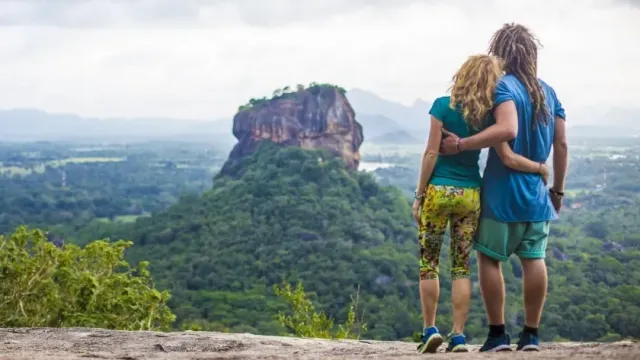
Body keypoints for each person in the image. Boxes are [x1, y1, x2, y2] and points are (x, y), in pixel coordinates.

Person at [440, 23, 568, 352]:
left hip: (502, 194)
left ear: (501, 51)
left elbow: (505, 143)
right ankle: (532, 334)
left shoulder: (501, 89)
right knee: (534, 259)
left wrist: (462, 144)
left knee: (489, 259)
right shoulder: (549, 93)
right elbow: (562, 145)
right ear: (531, 54)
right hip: (537, 196)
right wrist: (557, 190)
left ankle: (498, 334)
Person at [413, 54, 549, 354]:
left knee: (429, 263)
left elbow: (431, 154)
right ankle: (459, 336)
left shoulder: (441, 105)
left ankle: (430, 330)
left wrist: (420, 195)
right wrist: (540, 168)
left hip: (438, 192)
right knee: (461, 266)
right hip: (471, 194)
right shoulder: (487, 115)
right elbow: (505, 152)